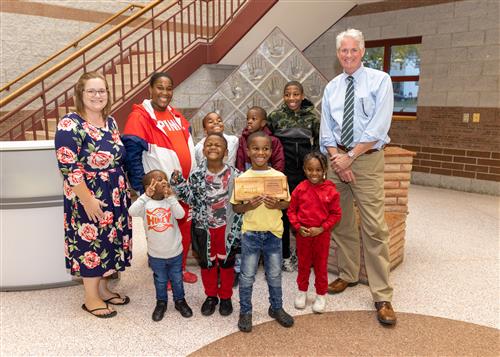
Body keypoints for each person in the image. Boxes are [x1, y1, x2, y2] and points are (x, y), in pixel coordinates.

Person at [319, 28, 396, 326]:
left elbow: (378, 127)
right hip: (337, 160)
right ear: (338, 54)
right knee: (340, 220)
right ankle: (348, 275)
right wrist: (338, 159)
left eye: (353, 50)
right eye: (343, 51)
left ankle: (382, 295)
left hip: (365, 160)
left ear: (362, 51)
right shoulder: (332, 88)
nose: (348, 55)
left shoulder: (381, 81)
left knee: (375, 226)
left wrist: (350, 157)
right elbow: (327, 130)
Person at [54, 71, 132, 318]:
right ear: (80, 94)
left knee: (109, 241)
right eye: (92, 91)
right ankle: (91, 298)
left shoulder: (110, 121)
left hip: (114, 193)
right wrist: (87, 199)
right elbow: (68, 165)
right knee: (91, 243)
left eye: (102, 91)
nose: (98, 96)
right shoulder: (70, 123)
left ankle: (104, 289)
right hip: (88, 195)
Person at [122, 72, 198, 284]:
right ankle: (164, 277)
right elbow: (132, 157)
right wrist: (141, 188)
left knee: (182, 233)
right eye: (160, 87)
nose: (165, 92)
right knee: (163, 235)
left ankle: (179, 271)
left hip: (182, 189)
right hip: (159, 192)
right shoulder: (139, 117)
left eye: (168, 88)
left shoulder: (175, 116)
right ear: (150, 89)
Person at [171, 133, 242, 317]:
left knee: (227, 264)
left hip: (227, 229)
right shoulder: (196, 175)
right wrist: (178, 184)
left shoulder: (236, 175)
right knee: (207, 264)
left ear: (226, 152)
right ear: (203, 150)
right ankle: (211, 296)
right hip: (204, 229)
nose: (213, 147)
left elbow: (241, 201)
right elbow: (190, 199)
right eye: (209, 144)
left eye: (218, 145)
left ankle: (225, 297)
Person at [231, 131, 294, 333]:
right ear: (248, 151)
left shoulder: (279, 177)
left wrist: (278, 204)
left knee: (274, 275)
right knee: (247, 275)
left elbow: (286, 204)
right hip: (250, 234)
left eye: (265, 148)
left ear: (271, 151)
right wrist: (248, 206)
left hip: (273, 234)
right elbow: (236, 207)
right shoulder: (243, 178)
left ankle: (276, 308)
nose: (261, 152)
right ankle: (246, 311)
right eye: (256, 149)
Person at [268, 81, 320, 272]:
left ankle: (302, 254)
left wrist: (315, 170)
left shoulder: (312, 118)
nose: (292, 98)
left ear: (302, 95)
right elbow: (269, 143)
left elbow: (318, 145)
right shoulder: (275, 117)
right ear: (283, 96)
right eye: (288, 94)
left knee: (303, 215)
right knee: (282, 215)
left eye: (296, 94)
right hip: (282, 174)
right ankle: (284, 255)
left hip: (305, 175)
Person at [128, 170, 193, 322]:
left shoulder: (170, 201)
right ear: (147, 186)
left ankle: (180, 301)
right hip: (156, 254)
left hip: (175, 252)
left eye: (164, 179)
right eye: (158, 180)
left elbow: (180, 215)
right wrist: (145, 196)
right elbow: (131, 211)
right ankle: (161, 302)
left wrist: (171, 197)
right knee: (161, 280)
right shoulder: (145, 204)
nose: (163, 181)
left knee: (177, 279)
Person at [287, 152, 341, 313]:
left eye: (318, 170)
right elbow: (291, 211)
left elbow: (336, 214)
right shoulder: (300, 189)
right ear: (304, 169)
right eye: (310, 169)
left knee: (320, 266)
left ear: (324, 169)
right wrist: (297, 227)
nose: (314, 173)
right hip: (303, 235)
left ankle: (321, 295)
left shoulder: (331, 191)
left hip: (321, 236)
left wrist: (322, 228)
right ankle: (302, 292)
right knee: (303, 265)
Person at [236, 106, 285, 173]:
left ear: (263, 123)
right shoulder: (243, 139)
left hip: (270, 177)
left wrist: (275, 177)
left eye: (253, 119)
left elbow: (279, 161)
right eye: (248, 119)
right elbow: (240, 160)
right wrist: (241, 175)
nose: (249, 121)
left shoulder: (273, 140)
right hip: (248, 177)